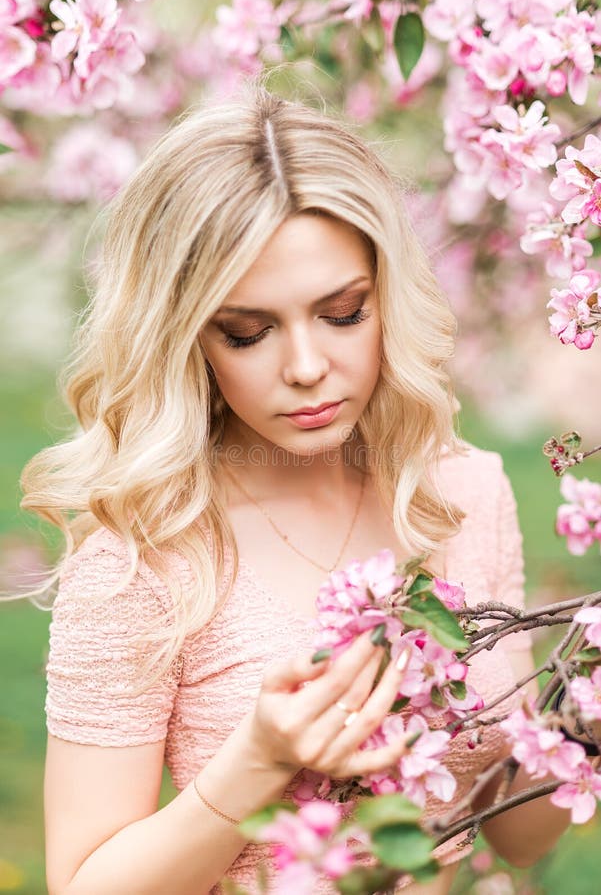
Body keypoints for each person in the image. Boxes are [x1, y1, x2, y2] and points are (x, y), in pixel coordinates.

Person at [20, 79, 572, 895]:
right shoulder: (146, 558)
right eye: (247, 332)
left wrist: (578, 731)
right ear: (186, 338)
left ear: (386, 295)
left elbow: (512, 833)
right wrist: (256, 765)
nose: (307, 367)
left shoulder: (459, 494)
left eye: (343, 313)